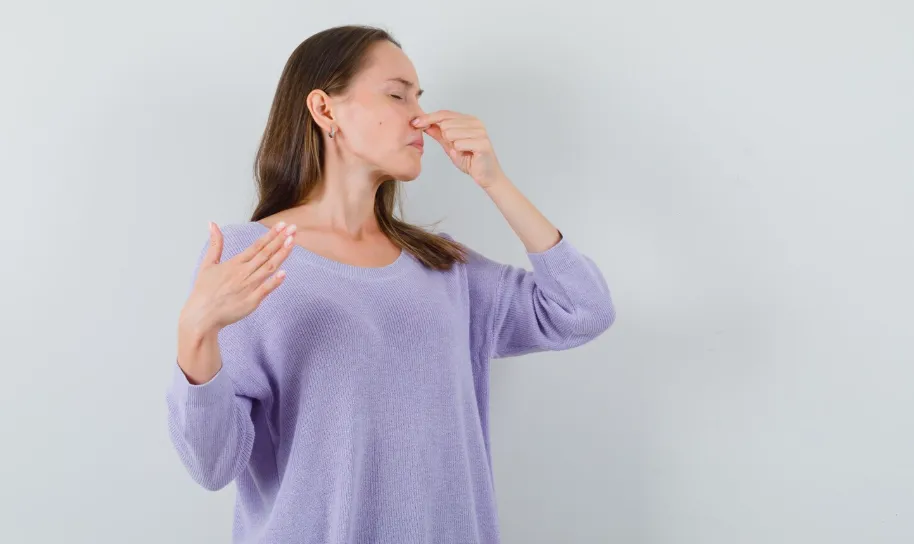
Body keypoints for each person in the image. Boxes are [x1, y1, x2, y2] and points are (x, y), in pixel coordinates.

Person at [166, 24, 616, 544]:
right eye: (397, 95)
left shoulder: (444, 268)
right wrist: (195, 335)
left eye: (419, 98)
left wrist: (495, 181)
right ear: (325, 109)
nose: (420, 119)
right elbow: (213, 465)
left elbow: (583, 309)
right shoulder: (252, 255)